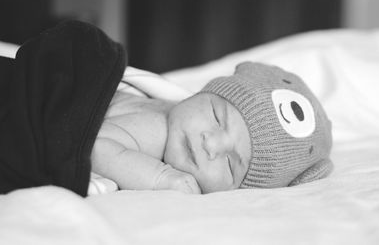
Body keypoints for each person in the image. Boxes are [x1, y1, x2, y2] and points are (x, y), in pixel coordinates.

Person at [91, 61, 333, 194]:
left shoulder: (181, 122)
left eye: (230, 165)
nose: (211, 145)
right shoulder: (159, 129)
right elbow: (96, 147)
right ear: (203, 93)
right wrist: (162, 178)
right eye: (217, 117)